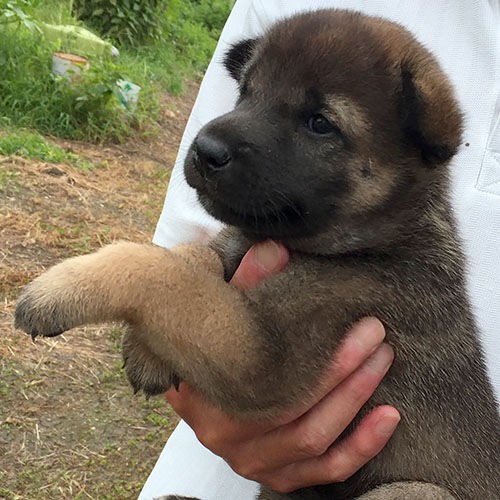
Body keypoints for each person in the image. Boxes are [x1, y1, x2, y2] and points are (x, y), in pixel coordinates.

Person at [139, 1, 500, 498]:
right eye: (247, 89)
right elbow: (192, 253)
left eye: (320, 123)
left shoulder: (398, 262)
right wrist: (174, 310)